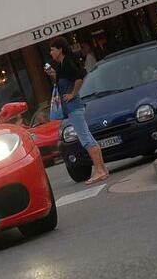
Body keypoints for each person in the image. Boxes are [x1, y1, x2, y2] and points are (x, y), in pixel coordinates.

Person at [45, 36, 109, 184]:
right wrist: (53, 74)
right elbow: (65, 79)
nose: (51, 52)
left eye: (52, 49)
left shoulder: (66, 63)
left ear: (60, 49)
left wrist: (73, 93)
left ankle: (99, 170)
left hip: (74, 107)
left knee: (86, 139)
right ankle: (102, 169)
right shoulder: (61, 65)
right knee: (89, 138)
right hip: (74, 107)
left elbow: (79, 78)